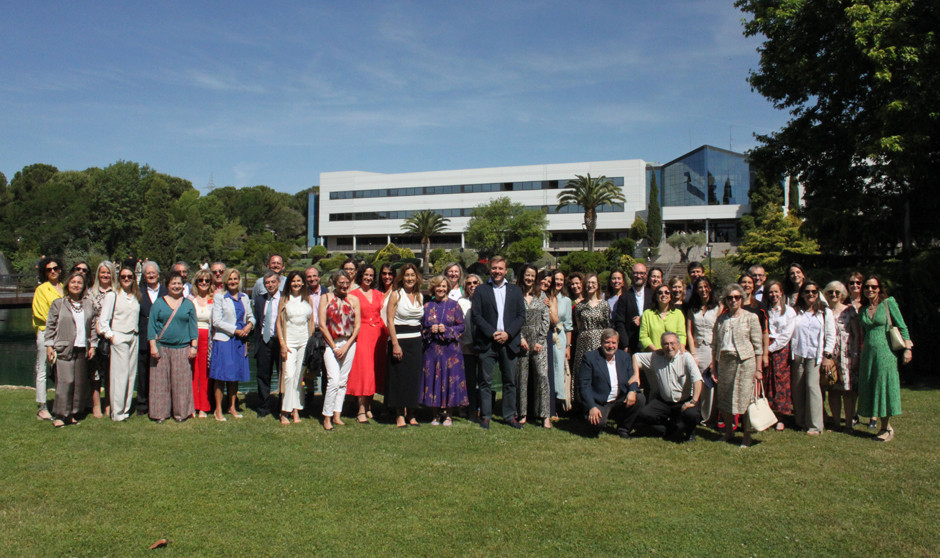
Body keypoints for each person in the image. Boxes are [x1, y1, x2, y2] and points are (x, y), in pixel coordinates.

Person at [470, 256, 526, 429]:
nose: (497, 271)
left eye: (500, 268)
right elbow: (476, 315)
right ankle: (485, 416)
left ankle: (509, 416)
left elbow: (521, 316)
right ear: (490, 269)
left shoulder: (515, 290)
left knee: (510, 381)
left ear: (506, 270)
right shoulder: (481, 290)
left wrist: (508, 334)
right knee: (485, 382)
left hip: (509, 342)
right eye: (494, 268)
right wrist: (492, 333)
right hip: (488, 342)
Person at [857, 276, 912, 442]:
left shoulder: (888, 303)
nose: (870, 290)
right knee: (872, 386)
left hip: (885, 353)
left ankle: (886, 427)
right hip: (868, 354)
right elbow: (863, 333)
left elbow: (902, 326)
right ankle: (877, 422)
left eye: (873, 287)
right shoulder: (863, 309)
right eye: (867, 287)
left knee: (884, 387)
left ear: (879, 288)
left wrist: (908, 348)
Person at [712, 283, 763, 447]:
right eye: (730, 298)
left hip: (745, 363)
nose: (733, 300)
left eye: (736, 297)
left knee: (745, 400)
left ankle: (747, 435)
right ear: (725, 300)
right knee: (724, 398)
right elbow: (715, 344)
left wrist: (758, 369)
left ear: (742, 299)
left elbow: (758, 346)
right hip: (725, 362)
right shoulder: (721, 319)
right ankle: (729, 431)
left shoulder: (751, 317)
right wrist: (714, 367)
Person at [44, 271, 97, 427]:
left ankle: (72, 413)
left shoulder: (88, 304)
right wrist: (49, 345)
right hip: (64, 348)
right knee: (65, 382)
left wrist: (93, 345)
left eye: (79, 283)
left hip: (82, 348)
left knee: (79, 383)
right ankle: (60, 415)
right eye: (73, 282)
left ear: (83, 286)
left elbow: (93, 326)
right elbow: (50, 325)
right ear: (68, 284)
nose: (76, 285)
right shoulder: (59, 304)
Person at [147, 270, 198, 423]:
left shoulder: (188, 304)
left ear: (183, 285)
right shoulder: (158, 303)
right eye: (173, 283)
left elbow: (193, 327)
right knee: (159, 382)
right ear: (167, 285)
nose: (176, 286)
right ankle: (160, 413)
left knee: (181, 382)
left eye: (179, 283)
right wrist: (153, 346)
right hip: (161, 347)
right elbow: (151, 326)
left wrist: (194, 347)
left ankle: (181, 413)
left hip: (182, 348)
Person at [634, 332, 703, 442]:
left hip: (684, 401)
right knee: (644, 414)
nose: (669, 347)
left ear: (678, 345)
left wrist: (693, 401)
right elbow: (635, 357)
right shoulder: (656, 357)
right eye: (666, 344)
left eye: (672, 343)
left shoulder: (686, 357)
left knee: (692, 414)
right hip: (664, 402)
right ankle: (671, 427)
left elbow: (697, 380)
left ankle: (690, 432)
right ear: (661, 345)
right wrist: (636, 374)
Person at [579, 329, 645, 438]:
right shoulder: (590, 357)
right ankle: (597, 424)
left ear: (618, 344)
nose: (610, 346)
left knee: (640, 398)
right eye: (607, 342)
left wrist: (632, 391)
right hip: (600, 401)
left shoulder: (624, 356)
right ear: (601, 343)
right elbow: (584, 385)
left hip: (619, 399)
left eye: (614, 343)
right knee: (596, 424)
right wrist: (591, 407)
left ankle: (624, 429)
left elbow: (632, 377)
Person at [420, 275, 468, 425]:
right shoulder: (427, 306)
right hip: (432, 350)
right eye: (438, 286)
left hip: (450, 350)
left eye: (443, 286)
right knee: (433, 379)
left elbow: (462, 326)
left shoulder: (455, 305)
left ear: (447, 288)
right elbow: (421, 327)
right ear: (433, 288)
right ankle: (435, 414)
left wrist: (447, 329)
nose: (441, 289)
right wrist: (430, 330)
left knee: (450, 379)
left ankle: (448, 415)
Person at [790, 281, 836, 435]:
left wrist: (827, 355)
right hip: (798, 353)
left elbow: (831, 335)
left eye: (814, 292)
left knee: (812, 387)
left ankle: (815, 425)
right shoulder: (795, 311)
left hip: (815, 356)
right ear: (802, 294)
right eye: (807, 292)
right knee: (798, 389)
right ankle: (801, 421)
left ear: (818, 294)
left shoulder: (824, 312)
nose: (810, 294)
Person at [210, 269, 254, 421]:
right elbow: (216, 321)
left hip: (240, 341)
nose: (233, 281)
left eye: (235, 279)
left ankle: (232, 407)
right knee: (221, 376)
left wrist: (249, 325)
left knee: (235, 376)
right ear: (225, 281)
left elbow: (251, 316)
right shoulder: (220, 297)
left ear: (239, 280)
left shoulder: (244, 297)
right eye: (230, 279)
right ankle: (218, 410)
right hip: (225, 340)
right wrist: (235, 330)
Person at [319, 271, 361, 431]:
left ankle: (337, 415)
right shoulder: (326, 298)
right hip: (331, 343)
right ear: (334, 283)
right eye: (341, 283)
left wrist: (347, 345)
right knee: (333, 380)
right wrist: (334, 347)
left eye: (347, 283)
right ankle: (327, 416)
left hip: (349, 343)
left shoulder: (354, 300)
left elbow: (357, 326)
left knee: (343, 381)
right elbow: (322, 324)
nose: (344, 286)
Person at [98, 266, 141, 421]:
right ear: (119, 278)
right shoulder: (113, 295)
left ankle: (125, 410)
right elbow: (103, 321)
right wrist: (112, 336)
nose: (126, 279)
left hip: (133, 336)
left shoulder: (136, 296)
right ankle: (116, 412)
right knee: (119, 376)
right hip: (119, 337)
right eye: (123, 276)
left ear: (134, 278)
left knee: (130, 375)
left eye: (129, 276)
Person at [348, 264, 387, 423]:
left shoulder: (379, 294)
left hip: (378, 334)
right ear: (360, 276)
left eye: (371, 275)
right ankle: (361, 409)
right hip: (362, 334)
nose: (368, 278)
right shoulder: (353, 295)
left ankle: (369, 405)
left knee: (373, 370)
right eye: (366, 275)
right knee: (363, 371)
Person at [386, 264, 424, 428]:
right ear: (402, 278)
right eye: (407, 275)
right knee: (399, 379)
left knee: (413, 379)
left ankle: (412, 413)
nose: (410, 278)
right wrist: (395, 344)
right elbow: (390, 320)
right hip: (399, 341)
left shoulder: (419, 296)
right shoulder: (396, 295)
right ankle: (400, 414)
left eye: (412, 275)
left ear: (417, 277)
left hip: (416, 341)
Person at [515, 264, 551, 429]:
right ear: (522, 276)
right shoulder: (516, 295)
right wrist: (520, 338)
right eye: (527, 275)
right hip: (522, 341)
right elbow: (512, 318)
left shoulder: (541, 295)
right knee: (522, 378)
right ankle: (522, 413)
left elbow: (546, 319)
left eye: (532, 276)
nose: (529, 278)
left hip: (538, 342)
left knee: (542, 376)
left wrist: (540, 340)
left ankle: (545, 415)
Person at [276, 271, 315, 425]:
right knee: (289, 375)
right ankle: (284, 411)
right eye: (293, 281)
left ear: (303, 283)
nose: (296, 284)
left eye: (299, 281)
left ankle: (296, 409)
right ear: (289, 283)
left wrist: (311, 343)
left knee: (299, 376)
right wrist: (282, 344)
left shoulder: (307, 300)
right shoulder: (284, 300)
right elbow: (279, 323)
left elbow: (311, 322)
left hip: (304, 341)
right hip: (289, 342)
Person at [823, 280, 861, 432]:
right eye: (830, 292)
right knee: (833, 389)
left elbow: (856, 334)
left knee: (848, 390)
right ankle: (836, 422)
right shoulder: (824, 311)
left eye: (837, 292)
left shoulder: (849, 310)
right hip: (830, 355)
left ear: (842, 294)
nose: (833, 294)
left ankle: (849, 423)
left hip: (847, 354)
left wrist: (856, 354)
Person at [32, 255, 64, 420]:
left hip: (63, 333)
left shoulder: (65, 287)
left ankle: (61, 403)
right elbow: (41, 313)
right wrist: (59, 323)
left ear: (60, 270)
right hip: (46, 332)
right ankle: (43, 406)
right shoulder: (41, 289)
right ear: (44, 272)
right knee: (42, 368)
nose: (52, 271)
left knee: (61, 370)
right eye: (49, 269)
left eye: (55, 268)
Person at [572, 273, 610, 407]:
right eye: (588, 282)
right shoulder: (580, 306)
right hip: (583, 340)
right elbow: (578, 325)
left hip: (599, 340)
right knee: (582, 370)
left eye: (593, 282)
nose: (590, 285)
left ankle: (598, 401)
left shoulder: (604, 305)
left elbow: (607, 325)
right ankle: (581, 402)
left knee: (598, 370)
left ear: (598, 285)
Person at [686, 277, 721, 424]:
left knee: (709, 382)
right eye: (700, 287)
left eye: (706, 287)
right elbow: (689, 332)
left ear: (710, 288)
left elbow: (719, 331)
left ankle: (708, 416)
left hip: (712, 348)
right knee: (696, 380)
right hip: (697, 348)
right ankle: (696, 412)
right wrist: (693, 353)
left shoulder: (718, 307)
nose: (703, 290)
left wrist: (715, 356)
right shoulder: (692, 308)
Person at [764, 280, 796, 430]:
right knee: (767, 381)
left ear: (781, 293)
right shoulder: (765, 310)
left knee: (780, 382)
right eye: (771, 292)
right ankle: (768, 415)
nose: (774, 294)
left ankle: (781, 416)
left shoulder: (789, 311)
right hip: (766, 346)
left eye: (776, 291)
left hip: (780, 349)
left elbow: (786, 335)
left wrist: (771, 348)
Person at [137, 261, 167, 416]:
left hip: (163, 338)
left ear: (158, 274)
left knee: (160, 373)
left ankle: (160, 402)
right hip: (143, 337)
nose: (150, 275)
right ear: (144, 276)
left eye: (153, 272)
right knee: (143, 374)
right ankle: (142, 404)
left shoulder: (166, 291)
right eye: (147, 273)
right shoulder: (138, 292)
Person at [87, 260, 116, 418]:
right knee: (95, 373)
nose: (105, 275)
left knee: (111, 372)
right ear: (98, 274)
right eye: (102, 272)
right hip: (94, 337)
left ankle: (108, 403)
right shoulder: (90, 292)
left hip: (111, 337)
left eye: (108, 272)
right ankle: (96, 404)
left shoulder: (117, 292)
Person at [252, 271, 282, 418]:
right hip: (265, 341)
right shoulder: (259, 300)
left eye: (273, 282)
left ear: (278, 282)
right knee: (263, 374)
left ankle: (283, 405)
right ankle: (264, 406)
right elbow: (257, 321)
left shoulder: (285, 299)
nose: (270, 285)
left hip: (281, 341)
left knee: (283, 374)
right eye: (267, 283)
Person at [188, 268, 214, 418]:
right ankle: (192, 405)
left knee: (205, 373)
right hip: (193, 338)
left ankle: (204, 406)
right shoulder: (190, 300)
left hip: (208, 339)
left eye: (207, 281)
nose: (204, 283)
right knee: (193, 372)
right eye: (201, 280)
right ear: (196, 282)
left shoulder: (214, 299)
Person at [614, 262, 653, 354]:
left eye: (641, 273)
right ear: (631, 274)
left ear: (646, 275)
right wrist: (625, 345)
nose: (638, 276)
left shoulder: (652, 295)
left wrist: (642, 319)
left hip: (651, 343)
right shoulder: (624, 297)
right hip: (631, 345)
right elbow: (619, 322)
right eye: (636, 273)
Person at [458, 274, 482, 418]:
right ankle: (470, 408)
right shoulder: (461, 302)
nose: (472, 285)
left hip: (483, 346)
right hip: (466, 347)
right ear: (465, 287)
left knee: (483, 380)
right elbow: (461, 324)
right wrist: (467, 344)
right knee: (469, 380)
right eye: (469, 283)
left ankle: (482, 408)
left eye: (475, 282)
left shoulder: (485, 299)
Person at [549, 269, 574, 412]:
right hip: (547, 335)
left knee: (559, 369)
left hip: (560, 337)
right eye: (556, 279)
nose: (558, 282)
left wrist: (568, 347)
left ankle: (558, 404)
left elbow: (569, 325)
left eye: (561, 280)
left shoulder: (566, 300)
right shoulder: (546, 296)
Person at [638, 285, 686, 352]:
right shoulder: (647, 314)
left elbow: (681, 335)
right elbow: (643, 337)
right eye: (660, 293)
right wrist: (657, 351)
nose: (663, 295)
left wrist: (680, 348)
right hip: (653, 354)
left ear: (670, 296)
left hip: (673, 353)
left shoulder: (678, 314)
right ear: (656, 296)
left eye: (667, 292)